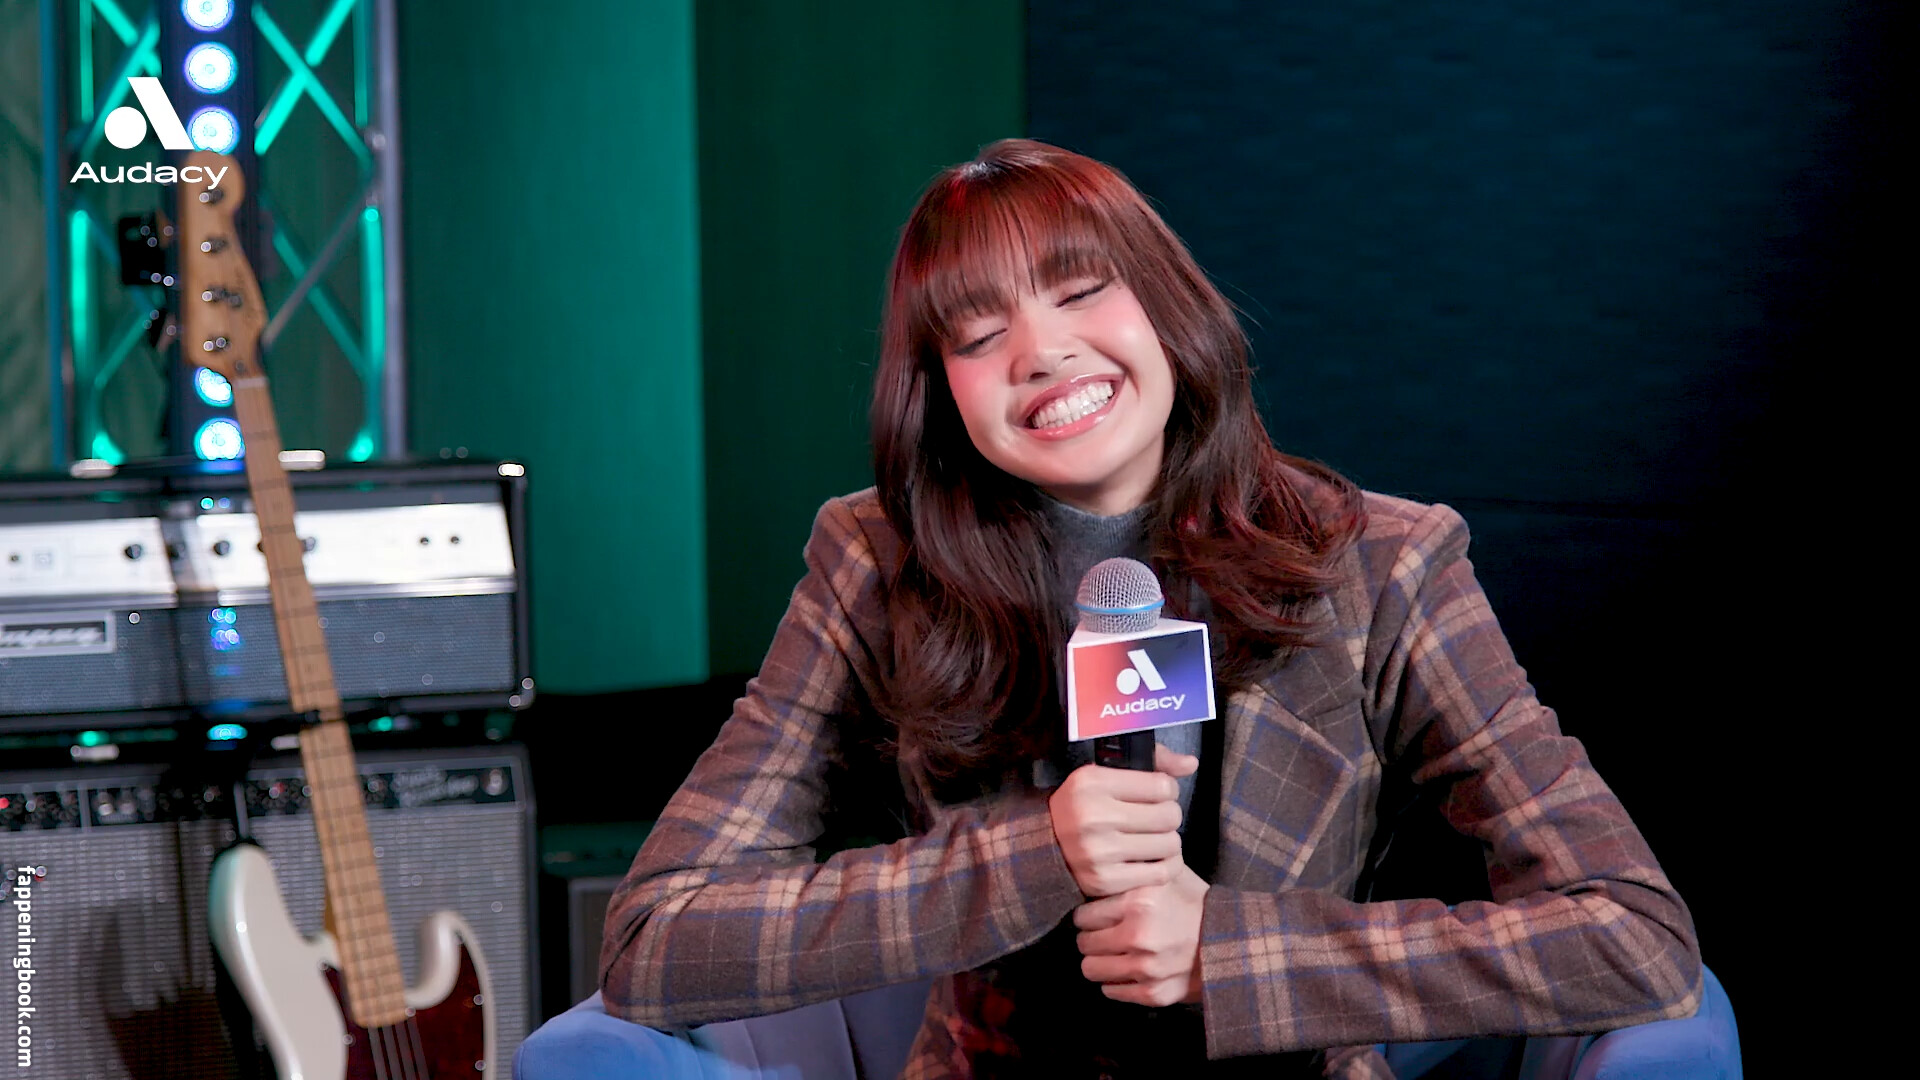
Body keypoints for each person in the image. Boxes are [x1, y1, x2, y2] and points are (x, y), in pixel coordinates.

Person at [597, 138, 1701, 1078]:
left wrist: (1230, 952)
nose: (1042, 352)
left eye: (1081, 293)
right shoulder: (879, 560)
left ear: (1165, 306)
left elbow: (1632, 935)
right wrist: (1033, 854)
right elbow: (656, 938)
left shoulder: (1381, 563)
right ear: (939, 391)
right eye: (979, 337)